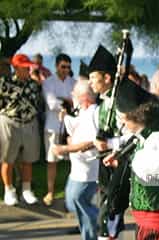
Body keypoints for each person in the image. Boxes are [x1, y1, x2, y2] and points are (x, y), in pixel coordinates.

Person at [103, 79, 159, 240]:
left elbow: (155, 169)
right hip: (146, 224)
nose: (123, 126)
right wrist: (116, 150)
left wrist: (126, 162)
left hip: (158, 227)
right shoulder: (146, 132)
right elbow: (130, 139)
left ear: (135, 116)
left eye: (124, 120)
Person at [52, 80, 99, 239]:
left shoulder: (93, 113)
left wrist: (64, 148)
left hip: (87, 172)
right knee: (72, 202)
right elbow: (77, 125)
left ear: (84, 97)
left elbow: (91, 142)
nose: (71, 95)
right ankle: (98, 220)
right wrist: (66, 118)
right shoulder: (84, 111)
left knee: (79, 202)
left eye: (74, 93)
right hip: (77, 170)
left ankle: (99, 223)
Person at [87, 45, 124, 240]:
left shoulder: (119, 103)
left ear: (107, 78)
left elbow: (131, 136)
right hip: (105, 166)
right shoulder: (102, 104)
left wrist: (109, 145)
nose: (91, 82)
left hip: (116, 165)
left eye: (94, 77)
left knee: (110, 216)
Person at [0, 54, 42, 206]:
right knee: (7, 159)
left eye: (28, 67)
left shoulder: (33, 84)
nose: (27, 69)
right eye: (24, 67)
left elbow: (37, 101)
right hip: (10, 122)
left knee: (28, 159)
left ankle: (26, 190)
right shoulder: (5, 83)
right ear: (16, 67)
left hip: (30, 123)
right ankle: (9, 190)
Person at [42, 53, 76, 206]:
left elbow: (77, 102)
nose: (66, 70)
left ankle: (71, 192)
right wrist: (66, 101)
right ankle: (50, 192)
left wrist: (65, 100)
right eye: (63, 66)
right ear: (56, 66)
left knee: (73, 162)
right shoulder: (48, 82)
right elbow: (51, 103)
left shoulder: (73, 82)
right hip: (53, 126)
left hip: (71, 128)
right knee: (52, 161)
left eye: (68, 67)